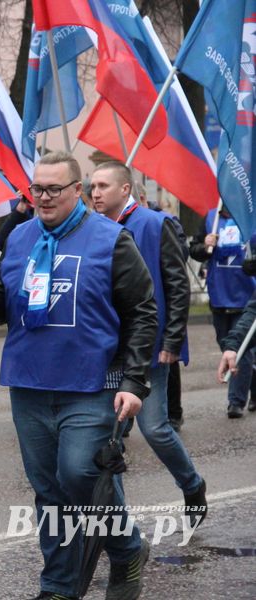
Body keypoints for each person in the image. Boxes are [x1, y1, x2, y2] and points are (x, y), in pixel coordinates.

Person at [0, 151, 157, 600]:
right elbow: (10, 306)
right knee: (49, 490)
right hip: (30, 383)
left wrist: (134, 382)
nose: (45, 197)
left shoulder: (112, 239)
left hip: (90, 384)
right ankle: (60, 584)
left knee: (78, 475)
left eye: (55, 189)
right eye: (38, 189)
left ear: (79, 191)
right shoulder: (18, 238)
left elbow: (142, 312)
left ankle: (124, 547)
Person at [90, 161, 207, 528]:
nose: (95, 193)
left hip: (149, 347)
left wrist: (172, 340)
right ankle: (118, 523)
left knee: (155, 428)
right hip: (106, 349)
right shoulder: (89, 229)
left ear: (125, 190)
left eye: (103, 186)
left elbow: (176, 286)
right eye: (92, 186)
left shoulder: (156, 225)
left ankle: (192, 484)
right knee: (109, 437)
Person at [190, 206, 256, 417]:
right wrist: (204, 245)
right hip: (219, 294)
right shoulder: (210, 218)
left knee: (240, 349)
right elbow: (194, 251)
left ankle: (235, 401)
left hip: (246, 296)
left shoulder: (251, 217)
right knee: (226, 345)